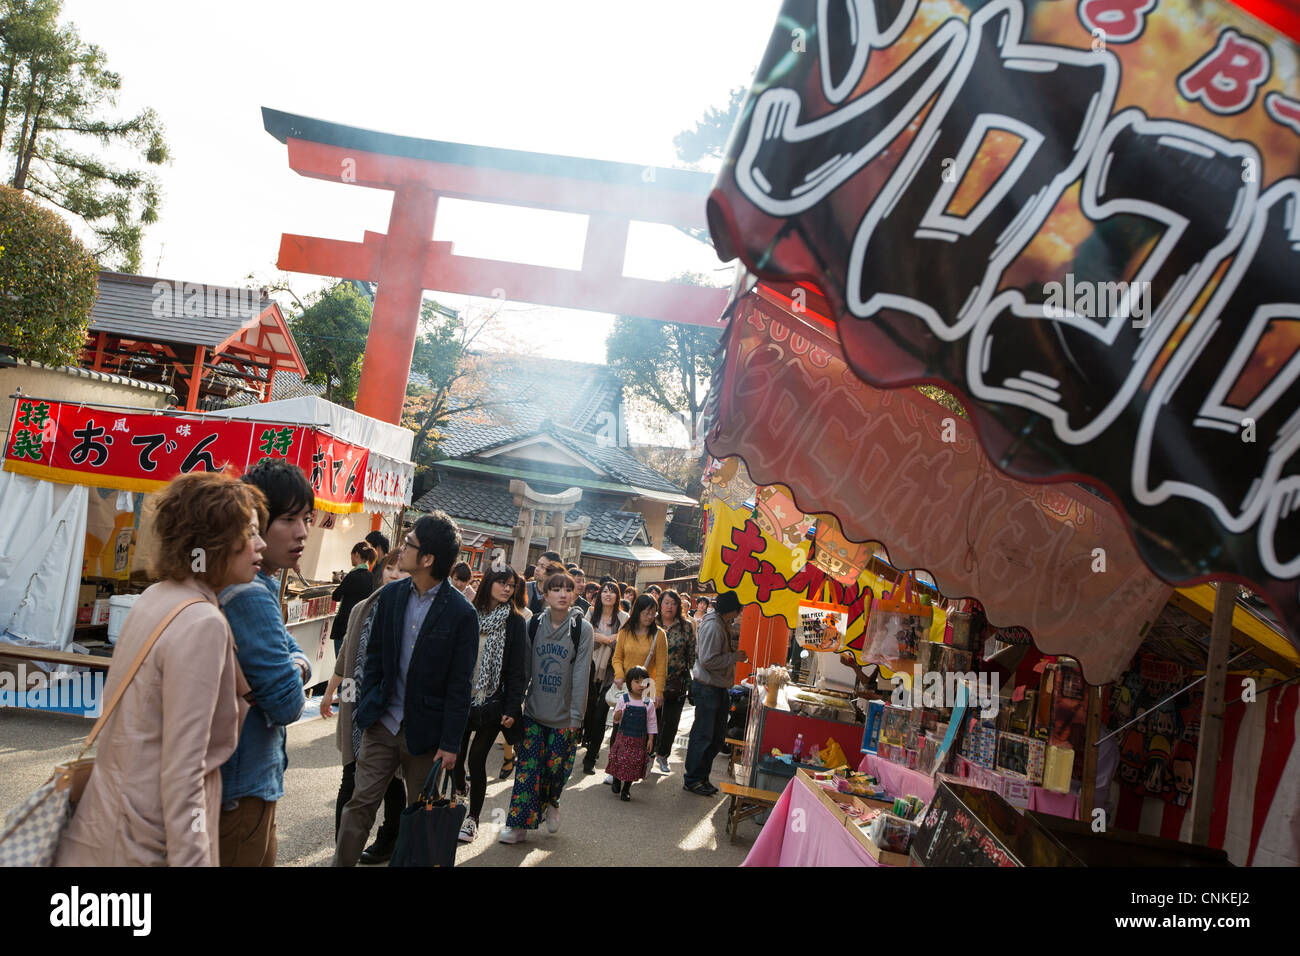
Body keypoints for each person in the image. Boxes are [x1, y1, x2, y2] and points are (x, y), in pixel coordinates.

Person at [55, 474, 266, 867]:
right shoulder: (203, 622)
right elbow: (185, 769)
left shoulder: (158, 596)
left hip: (110, 811)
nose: (261, 545)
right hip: (148, 835)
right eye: (250, 532)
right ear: (215, 541)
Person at [333, 512, 480, 867]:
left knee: (419, 817)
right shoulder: (392, 596)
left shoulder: (461, 613)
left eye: (410, 543)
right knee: (360, 804)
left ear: (428, 559)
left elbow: (461, 685)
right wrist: (369, 704)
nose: (402, 548)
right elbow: (375, 656)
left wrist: (449, 744)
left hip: (425, 736)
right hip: (382, 722)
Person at [219, 459, 316, 866]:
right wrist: (299, 664)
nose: (302, 532)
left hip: (239, 782)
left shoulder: (239, 582)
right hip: (242, 786)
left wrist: (292, 660)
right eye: (288, 518)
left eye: (306, 518)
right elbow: (288, 704)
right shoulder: (249, 592)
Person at [320, 551, 408, 863]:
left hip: (393, 711)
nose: (395, 575)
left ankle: (389, 839)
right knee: (350, 775)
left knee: (394, 785)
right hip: (356, 701)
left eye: (402, 570)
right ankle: (342, 848)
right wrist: (331, 692)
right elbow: (345, 657)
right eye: (390, 569)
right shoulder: (363, 607)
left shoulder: (412, 612)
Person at [498, 570, 593, 845]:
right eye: (556, 589)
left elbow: (580, 675)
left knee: (555, 770)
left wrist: (577, 715)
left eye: (568, 589)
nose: (562, 594)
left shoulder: (581, 629)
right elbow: (525, 667)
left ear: (574, 594)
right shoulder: (535, 624)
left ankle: (553, 802)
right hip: (535, 713)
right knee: (528, 771)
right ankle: (518, 826)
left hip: (564, 717)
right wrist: (515, 706)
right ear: (546, 594)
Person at [453, 566, 528, 842]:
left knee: (476, 759)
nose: (507, 589)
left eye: (512, 585)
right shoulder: (469, 612)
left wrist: (511, 708)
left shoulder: (515, 622)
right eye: (502, 583)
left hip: (492, 702)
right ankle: (459, 795)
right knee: (456, 758)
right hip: (462, 698)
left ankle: (472, 818)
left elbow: (517, 669)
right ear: (488, 583)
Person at [683, 591, 747, 796]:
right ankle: (693, 779)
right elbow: (709, 660)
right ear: (734, 609)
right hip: (708, 687)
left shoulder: (720, 623)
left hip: (718, 687)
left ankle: (702, 776)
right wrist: (734, 657)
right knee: (703, 735)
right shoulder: (714, 625)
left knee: (717, 737)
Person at [610, 594, 667, 784]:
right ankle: (615, 768)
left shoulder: (659, 635)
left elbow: (661, 668)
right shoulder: (625, 631)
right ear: (637, 611)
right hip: (625, 687)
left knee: (639, 732)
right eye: (646, 612)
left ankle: (634, 769)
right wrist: (619, 674)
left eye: (653, 612)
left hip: (645, 691)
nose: (650, 616)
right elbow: (617, 657)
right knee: (619, 727)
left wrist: (658, 694)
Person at [580, 581, 628, 775]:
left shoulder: (624, 617)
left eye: (612, 592)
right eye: (605, 592)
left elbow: (623, 643)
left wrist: (604, 639)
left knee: (600, 714)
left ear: (618, 596)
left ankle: (590, 758)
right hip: (589, 668)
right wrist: (610, 639)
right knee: (589, 712)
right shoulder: (591, 613)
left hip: (610, 671)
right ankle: (588, 739)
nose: (608, 595)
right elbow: (586, 637)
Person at [655, 588, 697, 774]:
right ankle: (647, 755)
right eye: (666, 602)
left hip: (676, 681)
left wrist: (690, 681)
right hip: (652, 681)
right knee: (652, 721)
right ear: (660, 604)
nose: (669, 606)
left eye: (673, 603)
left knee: (671, 722)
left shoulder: (686, 626)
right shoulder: (652, 623)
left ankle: (663, 755)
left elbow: (691, 655)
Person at [606, 666, 657, 801]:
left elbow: (651, 723)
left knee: (633, 764)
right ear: (629, 683)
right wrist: (617, 714)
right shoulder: (623, 699)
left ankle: (626, 789)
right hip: (623, 738)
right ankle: (616, 780)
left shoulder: (648, 703)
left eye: (643, 682)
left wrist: (651, 739)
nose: (640, 685)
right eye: (636, 681)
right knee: (619, 760)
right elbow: (616, 720)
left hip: (639, 741)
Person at [331, 542, 376, 656]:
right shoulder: (371, 577)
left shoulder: (352, 576)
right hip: (359, 626)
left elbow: (335, 596)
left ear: (356, 554)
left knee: (340, 663)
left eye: (351, 555)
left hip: (344, 625)